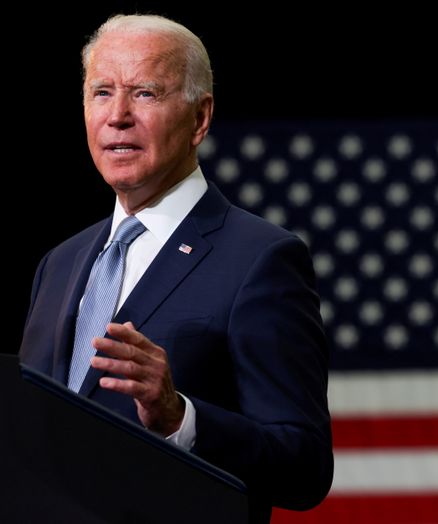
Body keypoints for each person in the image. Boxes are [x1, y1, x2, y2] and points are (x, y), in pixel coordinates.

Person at [18, 13, 332, 520]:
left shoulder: (261, 259)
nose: (117, 115)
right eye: (101, 92)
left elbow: (305, 468)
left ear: (199, 118)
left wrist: (180, 417)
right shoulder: (60, 263)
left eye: (144, 93)